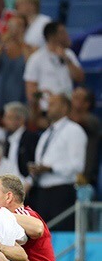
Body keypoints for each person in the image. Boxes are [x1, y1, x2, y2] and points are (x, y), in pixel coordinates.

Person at [27, 94, 86, 230]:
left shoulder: (74, 130)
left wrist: (51, 168)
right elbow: (41, 161)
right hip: (41, 193)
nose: (48, 107)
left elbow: (78, 166)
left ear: (64, 107)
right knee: (42, 236)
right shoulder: (47, 133)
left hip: (61, 192)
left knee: (61, 233)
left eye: (53, 104)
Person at [24, 22, 84, 116]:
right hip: (46, 110)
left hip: (68, 109)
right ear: (52, 37)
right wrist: (42, 98)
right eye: (63, 32)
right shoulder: (36, 58)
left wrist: (67, 60)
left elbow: (80, 78)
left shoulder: (69, 54)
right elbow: (30, 90)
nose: (67, 35)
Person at [0, 13, 31, 108]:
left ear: (25, 29)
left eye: (19, 26)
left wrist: (22, 42)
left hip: (19, 99)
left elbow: (30, 68)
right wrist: (2, 42)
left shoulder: (30, 48)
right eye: (12, 26)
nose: (15, 30)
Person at [70, 87, 100, 186]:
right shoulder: (65, 120)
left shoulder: (93, 121)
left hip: (84, 179)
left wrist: (61, 105)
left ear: (86, 104)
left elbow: (78, 120)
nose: (72, 100)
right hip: (65, 174)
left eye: (76, 97)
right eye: (72, 96)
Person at [0, 101, 38, 178]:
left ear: (21, 120)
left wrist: (29, 180)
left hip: (26, 181)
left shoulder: (31, 138)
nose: (4, 121)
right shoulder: (8, 140)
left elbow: (34, 162)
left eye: (9, 118)